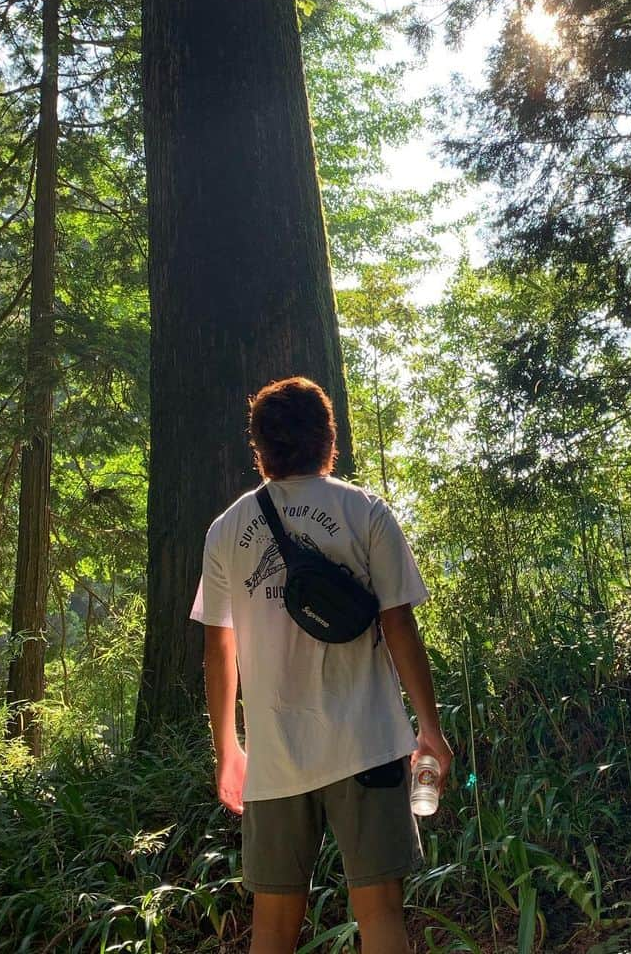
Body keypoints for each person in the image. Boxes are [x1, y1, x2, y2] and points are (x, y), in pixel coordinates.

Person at [190, 376, 452, 954]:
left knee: (273, 928)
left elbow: (218, 650)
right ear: (329, 440)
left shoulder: (226, 530)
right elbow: (399, 626)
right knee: (381, 914)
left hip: (277, 755)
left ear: (259, 448)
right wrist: (429, 729)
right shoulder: (364, 512)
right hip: (369, 743)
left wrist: (229, 749)